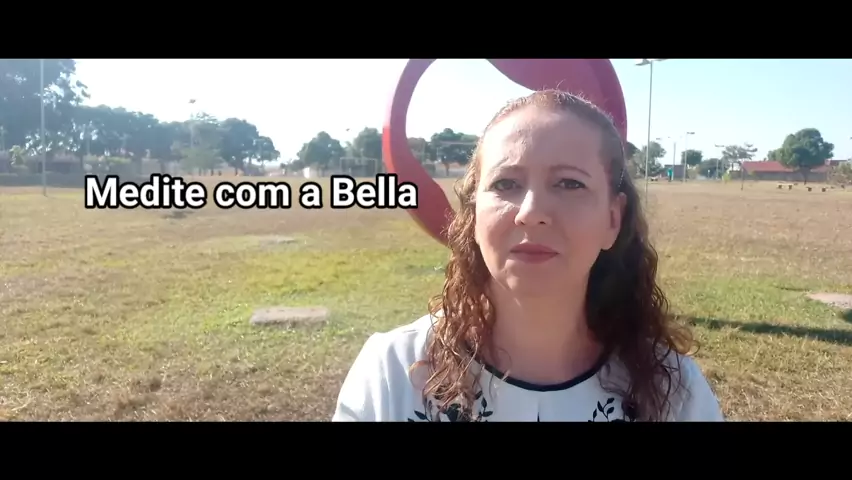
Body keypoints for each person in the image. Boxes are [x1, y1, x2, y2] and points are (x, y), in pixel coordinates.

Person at [332, 89, 724, 422]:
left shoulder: (675, 392)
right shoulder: (392, 374)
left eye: (569, 183)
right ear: (474, 214)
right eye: (506, 183)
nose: (531, 212)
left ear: (612, 219)